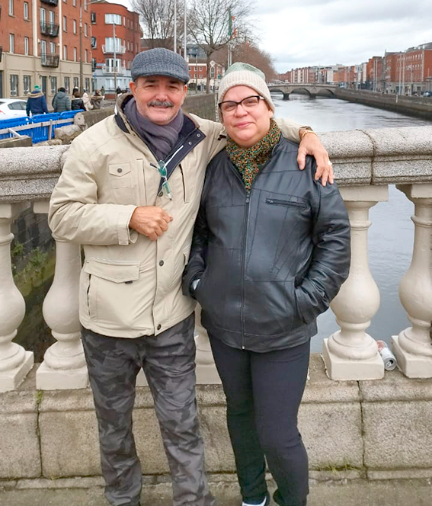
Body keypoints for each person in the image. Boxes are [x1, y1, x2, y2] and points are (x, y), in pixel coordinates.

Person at [48, 48, 334, 506]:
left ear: (184, 92)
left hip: (172, 315)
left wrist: (308, 134)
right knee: (114, 429)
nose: (162, 95)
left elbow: (254, 120)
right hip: (107, 318)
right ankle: (123, 500)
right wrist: (126, 218)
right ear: (133, 88)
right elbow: (61, 217)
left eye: (172, 86)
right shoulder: (93, 145)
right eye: (151, 85)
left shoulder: (203, 136)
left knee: (184, 426)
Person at [183, 63, 351, 506]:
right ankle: (253, 497)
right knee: (240, 418)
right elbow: (199, 234)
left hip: (283, 328)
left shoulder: (304, 163)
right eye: (230, 104)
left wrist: (305, 301)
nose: (241, 111)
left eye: (250, 101)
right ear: (222, 113)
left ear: (269, 107)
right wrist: (200, 284)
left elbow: (334, 239)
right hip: (225, 327)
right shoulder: (214, 168)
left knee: (278, 433)